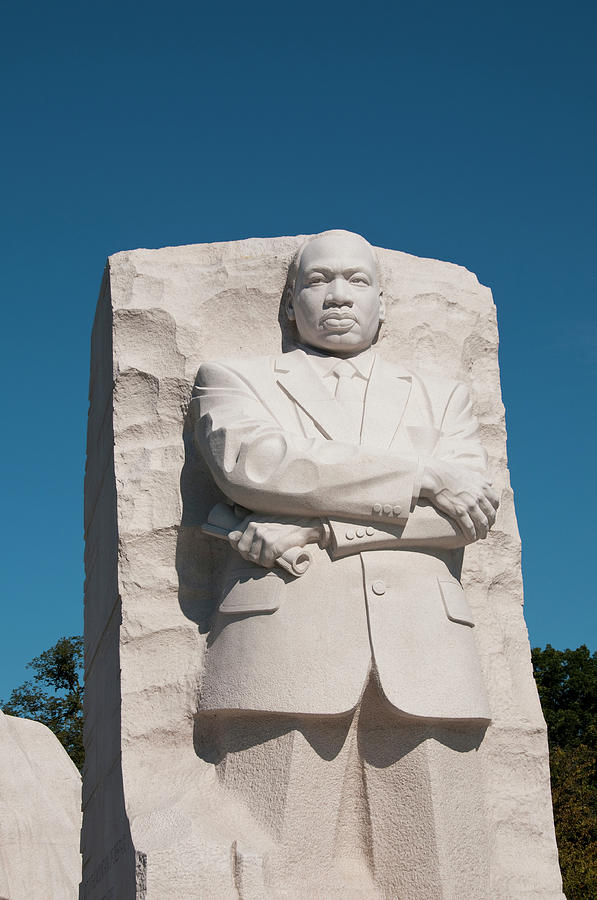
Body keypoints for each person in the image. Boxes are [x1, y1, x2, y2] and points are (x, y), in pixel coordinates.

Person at [192, 230, 499, 898]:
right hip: (283, 641)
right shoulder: (231, 379)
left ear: (382, 303)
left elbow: (465, 516)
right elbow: (255, 467)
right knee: (277, 861)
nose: (337, 295)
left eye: (356, 281)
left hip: (427, 649)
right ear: (289, 301)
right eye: (317, 280)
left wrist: (316, 525)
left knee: (445, 872)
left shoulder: (441, 396)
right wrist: (420, 473)